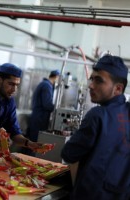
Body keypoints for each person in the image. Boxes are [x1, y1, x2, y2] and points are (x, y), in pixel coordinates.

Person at [61, 55, 130, 200]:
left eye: (99, 81)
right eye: (92, 79)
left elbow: (68, 154)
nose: (91, 85)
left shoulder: (98, 115)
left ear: (118, 88)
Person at [26, 69, 60, 144]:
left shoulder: (44, 84)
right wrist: (58, 110)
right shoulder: (47, 86)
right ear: (56, 77)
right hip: (39, 119)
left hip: (38, 118)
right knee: (34, 145)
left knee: (32, 143)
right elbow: (47, 104)